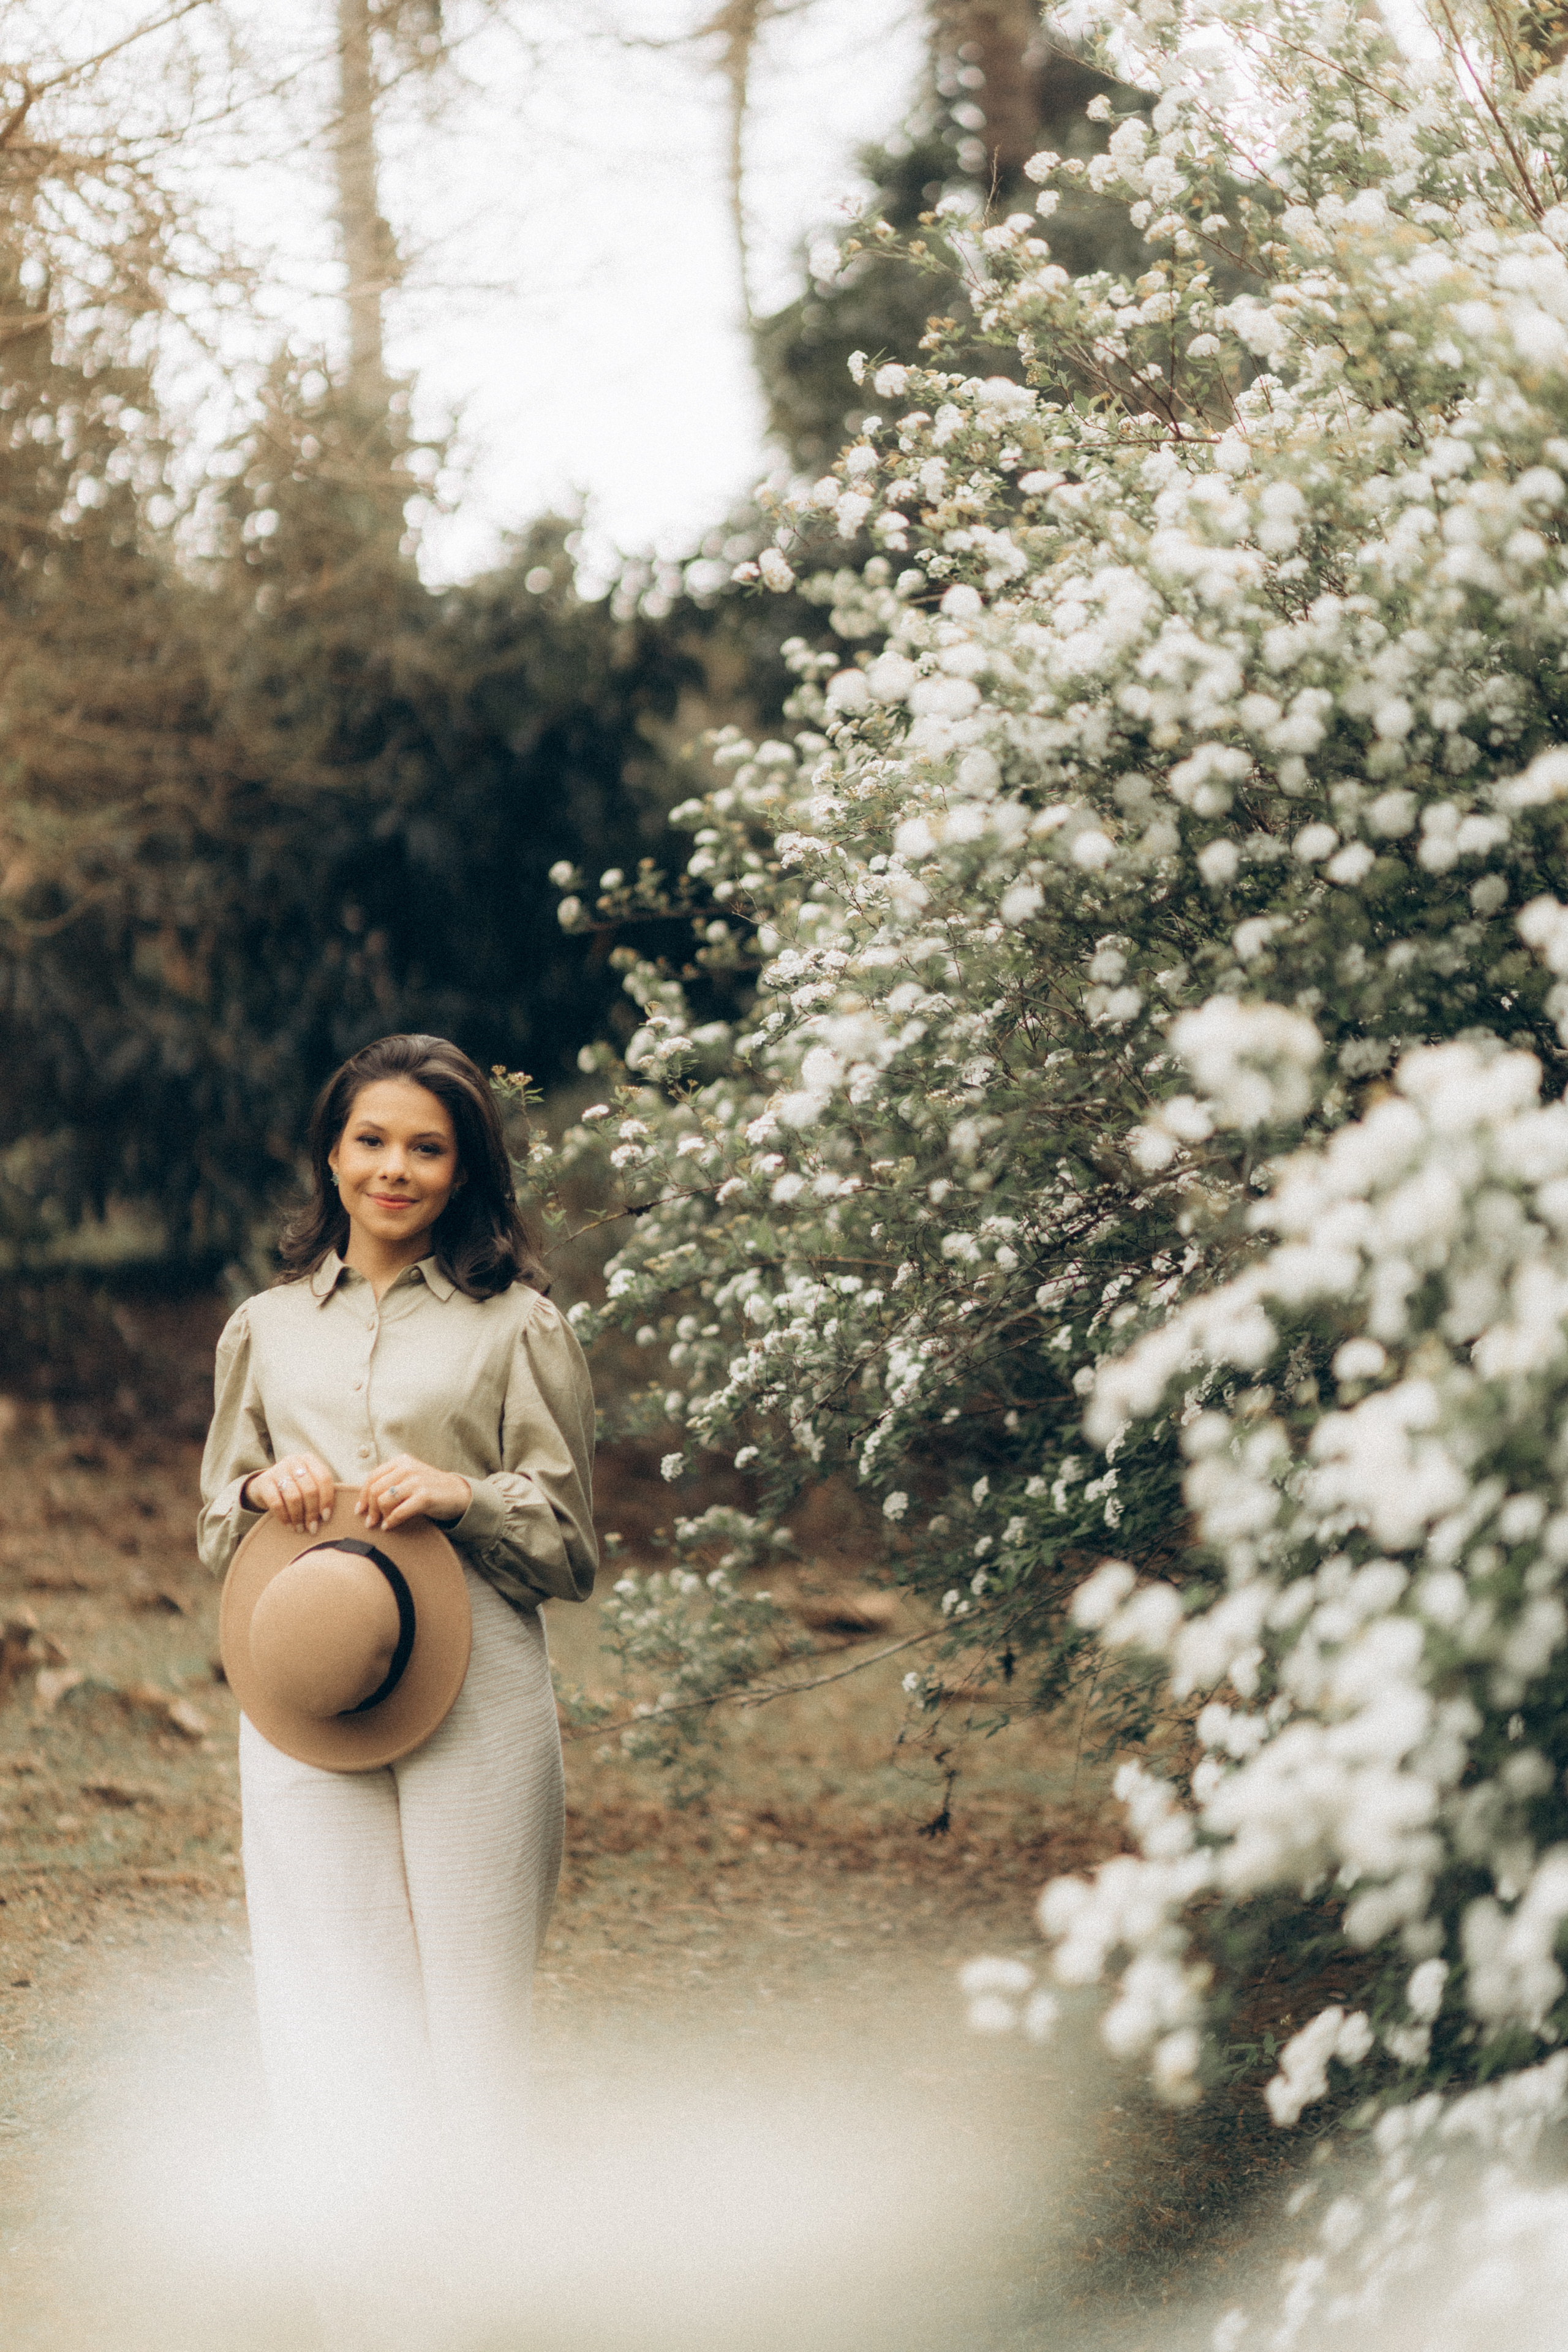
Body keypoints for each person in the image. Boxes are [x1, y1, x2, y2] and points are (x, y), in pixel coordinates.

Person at [197, 1033, 595, 2335]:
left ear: (464, 1168)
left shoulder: (518, 1324)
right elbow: (216, 1523)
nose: (396, 1168)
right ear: (331, 1152)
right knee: (328, 2001)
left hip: (477, 1689)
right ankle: (359, 2307)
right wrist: (264, 1489)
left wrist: (464, 1493)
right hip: (305, 1690)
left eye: (428, 1147)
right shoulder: (263, 1329)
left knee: (470, 2007)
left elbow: (571, 1546)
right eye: (371, 1140)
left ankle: (482, 2303)